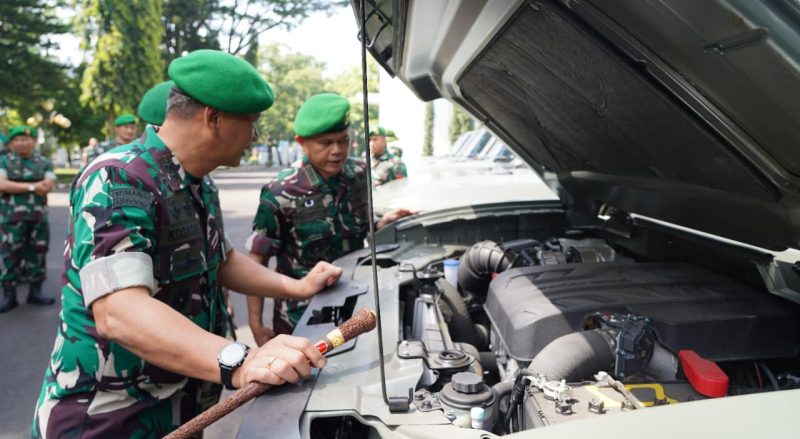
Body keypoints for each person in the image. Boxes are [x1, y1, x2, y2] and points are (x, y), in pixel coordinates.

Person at [33, 50, 340, 438]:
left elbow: (221, 258)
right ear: (214, 118)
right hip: (109, 417)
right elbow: (119, 311)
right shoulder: (119, 178)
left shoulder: (196, 181)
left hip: (182, 407)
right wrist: (240, 360)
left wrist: (296, 287)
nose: (255, 137)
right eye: (251, 124)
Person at [245, 93, 414, 343]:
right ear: (302, 143)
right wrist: (256, 325)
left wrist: (380, 224)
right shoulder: (281, 190)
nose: (337, 151)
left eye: (343, 141)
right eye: (326, 143)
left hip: (354, 306)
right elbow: (258, 261)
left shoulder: (359, 174)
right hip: (301, 317)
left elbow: (359, 229)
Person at [0, 125, 57, 313]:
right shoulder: (4, 161)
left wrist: (16, 185)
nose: (21, 143)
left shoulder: (44, 161)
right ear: (11, 143)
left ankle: (35, 292)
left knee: (38, 254)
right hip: (10, 219)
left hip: (37, 217)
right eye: (16, 140)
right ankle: (9, 296)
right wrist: (33, 187)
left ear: (32, 141)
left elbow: (48, 184)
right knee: (10, 255)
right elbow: (2, 185)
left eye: (25, 139)